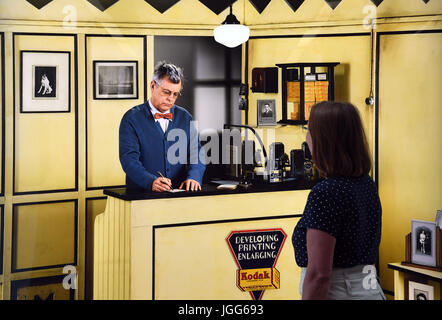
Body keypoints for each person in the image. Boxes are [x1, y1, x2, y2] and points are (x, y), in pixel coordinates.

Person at [292, 101, 385, 300]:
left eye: (309, 130)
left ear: (323, 140)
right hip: (370, 290)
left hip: (338, 293)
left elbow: (319, 275)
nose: (306, 137)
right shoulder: (366, 184)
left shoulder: (325, 193)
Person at [119, 61, 205, 192]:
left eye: (175, 94)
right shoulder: (131, 119)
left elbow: (197, 153)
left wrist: (194, 177)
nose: (171, 98)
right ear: (153, 86)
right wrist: (150, 181)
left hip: (178, 195)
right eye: (166, 92)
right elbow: (129, 160)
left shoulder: (186, 117)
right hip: (141, 195)